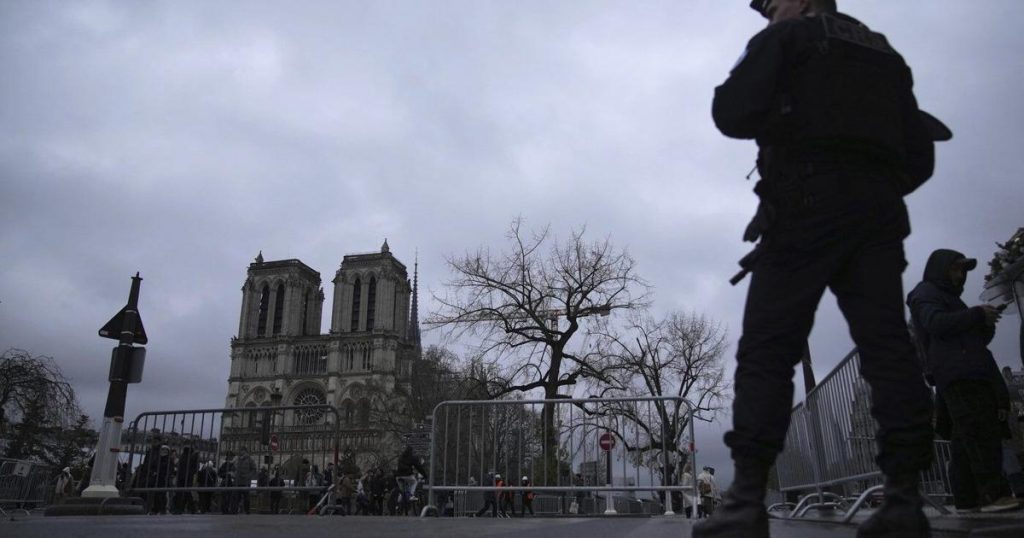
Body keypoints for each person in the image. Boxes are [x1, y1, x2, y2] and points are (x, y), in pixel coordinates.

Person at [704, 1, 947, 537]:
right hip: (878, 215)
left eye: (774, 4)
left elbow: (731, 111)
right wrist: (869, 184)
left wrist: (800, 158)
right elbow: (920, 153)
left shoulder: (787, 39)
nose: (769, 15)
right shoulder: (882, 49)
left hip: (802, 210)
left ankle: (746, 503)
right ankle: (904, 501)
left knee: (768, 349)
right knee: (888, 347)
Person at [907, 249, 1020, 513]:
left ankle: (967, 499)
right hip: (959, 373)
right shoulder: (926, 293)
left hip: (962, 369)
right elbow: (936, 324)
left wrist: (985, 323)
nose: (960, 275)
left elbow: (969, 339)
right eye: (955, 269)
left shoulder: (946, 297)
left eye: (962, 270)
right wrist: (977, 315)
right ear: (941, 269)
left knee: (964, 438)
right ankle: (994, 495)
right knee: (981, 433)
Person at [173, 444, 199, 514]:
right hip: (187, 477)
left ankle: (181, 508)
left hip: (183, 476)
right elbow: (196, 468)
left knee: (182, 493)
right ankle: (188, 508)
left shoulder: (184, 455)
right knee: (186, 493)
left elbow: (180, 466)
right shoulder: (192, 455)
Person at [235, 447, 256, 514]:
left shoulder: (249, 459)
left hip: (246, 481)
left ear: (245, 451)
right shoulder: (238, 459)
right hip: (238, 481)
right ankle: (236, 510)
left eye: (241, 451)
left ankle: (247, 511)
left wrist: (249, 476)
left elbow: (254, 469)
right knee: (237, 497)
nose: (240, 452)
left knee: (246, 497)